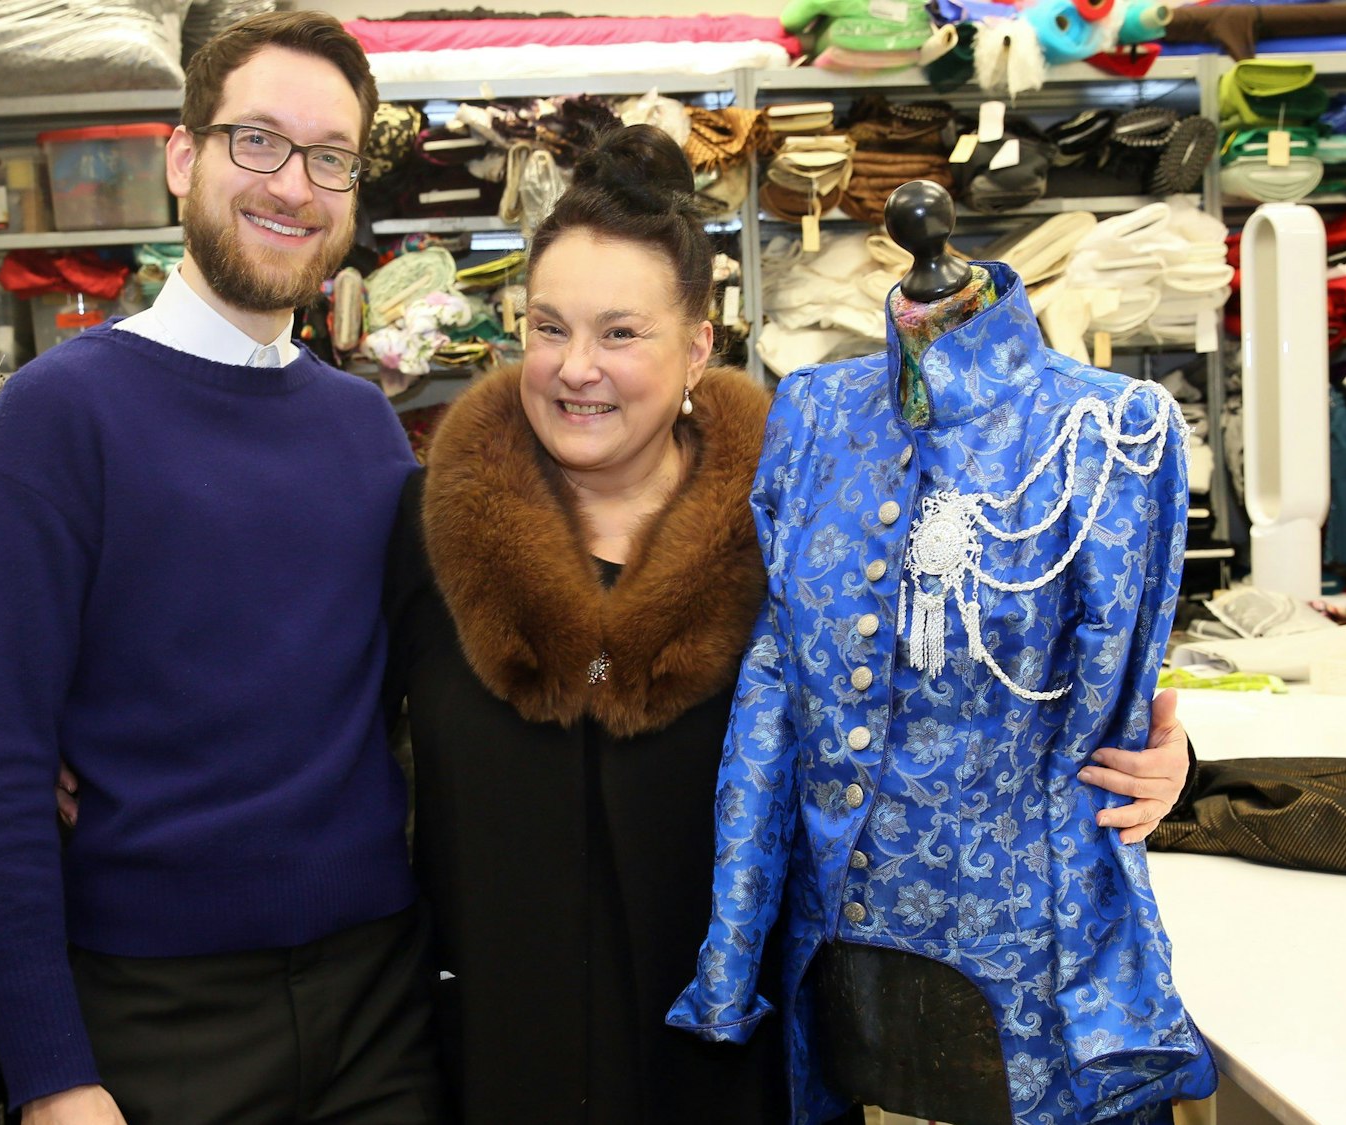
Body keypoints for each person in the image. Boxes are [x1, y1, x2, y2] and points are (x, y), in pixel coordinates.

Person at [380, 124, 1196, 1125]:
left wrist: (1164, 757)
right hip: (501, 1066)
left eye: (619, 333)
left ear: (696, 348)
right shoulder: (424, 538)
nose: (574, 368)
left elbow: (952, 686)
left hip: (733, 1068)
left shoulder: (793, 525)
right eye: (547, 328)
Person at [0, 12, 439, 1125]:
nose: (293, 187)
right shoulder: (61, 413)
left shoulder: (363, 427)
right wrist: (52, 1076)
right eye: (255, 141)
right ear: (182, 158)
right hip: (154, 1019)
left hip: (377, 1007)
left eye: (328, 158)